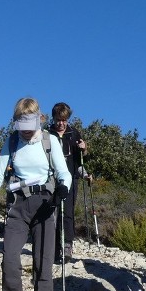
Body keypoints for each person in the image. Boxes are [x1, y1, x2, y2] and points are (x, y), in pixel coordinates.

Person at [0, 98, 71, 291]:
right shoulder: (11, 142)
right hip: (17, 204)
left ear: (38, 119)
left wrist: (63, 188)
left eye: (29, 122)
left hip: (45, 203)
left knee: (43, 260)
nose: (26, 129)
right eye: (21, 123)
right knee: (9, 257)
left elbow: (64, 173)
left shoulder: (48, 140)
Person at [48, 102, 87, 262]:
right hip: (51, 179)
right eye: (58, 119)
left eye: (64, 120)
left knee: (68, 212)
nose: (61, 123)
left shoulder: (74, 133)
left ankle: (67, 246)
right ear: (54, 118)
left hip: (71, 178)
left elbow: (81, 160)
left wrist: (84, 149)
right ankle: (54, 248)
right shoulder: (47, 133)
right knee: (53, 213)